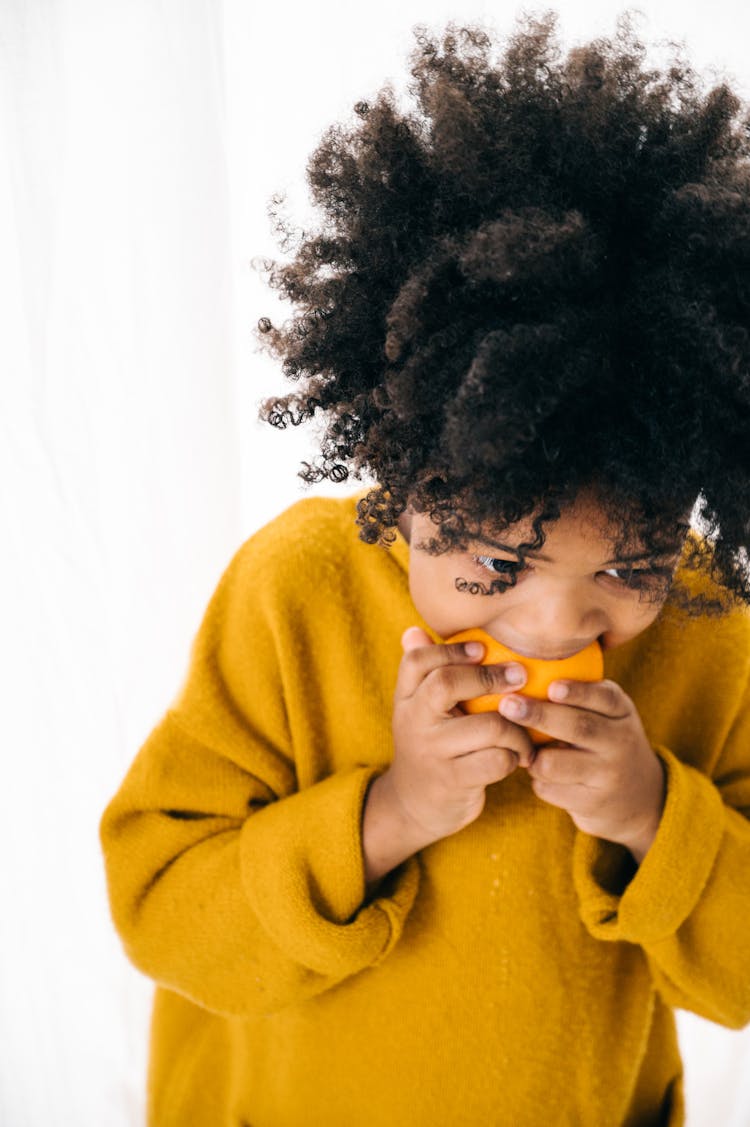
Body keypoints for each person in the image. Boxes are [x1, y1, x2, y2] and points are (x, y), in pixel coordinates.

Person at [100, 13, 750, 1126]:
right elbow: (163, 912)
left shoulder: (701, 624)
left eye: (628, 566)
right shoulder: (295, 590)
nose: (558, 625)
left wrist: (653, 816)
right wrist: (389, 813)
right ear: (405, 476)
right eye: (501, 562)